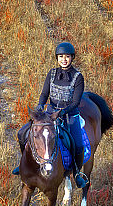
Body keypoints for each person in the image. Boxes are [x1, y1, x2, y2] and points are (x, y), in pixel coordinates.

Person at [13, 42, 88, 188]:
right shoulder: (52, 73)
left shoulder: (78, 77)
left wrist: (62, 112)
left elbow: (75, 102)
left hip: (69, 116)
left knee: (78, 145)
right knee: (22, 133)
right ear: (57, 58)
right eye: (61, 57)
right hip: (49, 114)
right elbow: (44, 93)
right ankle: (23, 163)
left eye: (67, 56)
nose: (64, 59)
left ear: (72, 57)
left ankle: (78, 173)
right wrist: (41, 105)